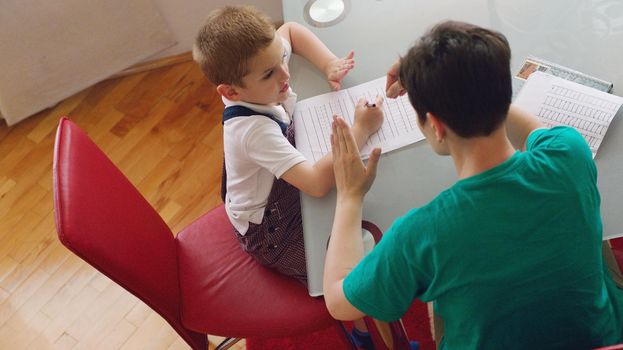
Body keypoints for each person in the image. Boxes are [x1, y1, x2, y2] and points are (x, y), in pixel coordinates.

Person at [324, 20, 623, 349]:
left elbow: (339, 302)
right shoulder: (569, 152)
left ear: (436, 126)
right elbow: (527, 127)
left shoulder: (421, 235)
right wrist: (464, 85)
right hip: (600, 338)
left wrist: (350, 196)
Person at [193, 6, 384, 348]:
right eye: (269, 75)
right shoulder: (253, 131)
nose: (285, 75)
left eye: (282, 60)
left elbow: (292, 30)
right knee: (349, 268)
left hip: (281, 187)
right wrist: (361, 130)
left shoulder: (260, 65)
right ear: (231, 92)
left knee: (364, 209)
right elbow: (315, 182)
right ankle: (362, 334)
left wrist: (328, 63)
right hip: (271, 232)